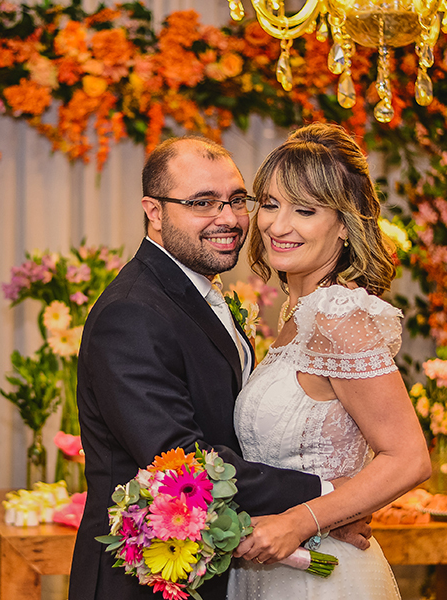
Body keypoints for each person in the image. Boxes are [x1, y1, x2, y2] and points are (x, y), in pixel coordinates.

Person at [68, 136, 369, 600]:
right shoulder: (131, 314)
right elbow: (184, 463)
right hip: (143, 582)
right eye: (203, 203)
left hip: (218, 569)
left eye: (237, 200)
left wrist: (307, 519)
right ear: (154, 211)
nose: (228, 218)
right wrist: (330, 497)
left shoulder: (196, 293)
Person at [227, 123, 431, 599]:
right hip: (272, 567)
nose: (278, 226)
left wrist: (299, 520)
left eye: (305, 210)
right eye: (271, 205)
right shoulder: (298, 315)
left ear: (344, 224)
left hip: (321, 574)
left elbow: (408, 458)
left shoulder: (342, 314)